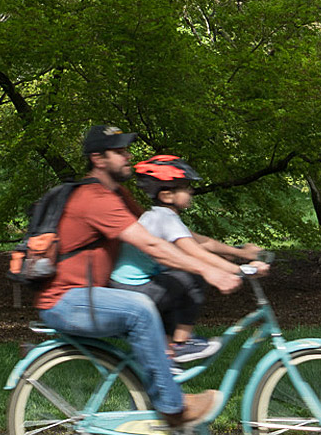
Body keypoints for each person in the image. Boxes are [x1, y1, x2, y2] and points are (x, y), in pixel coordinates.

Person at [33, 125, 255, 435]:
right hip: (66, 300)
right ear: (98, 158)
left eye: (127, 149)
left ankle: (159, 432)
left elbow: (172, 237)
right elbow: (152, 246)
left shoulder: (117, 194)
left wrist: (236, 254)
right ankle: (174, 409)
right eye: (120, 151)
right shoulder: (93, 197)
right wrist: (210, 272)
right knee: (140, 308)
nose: (129, 156)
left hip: (94, 296)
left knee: (168, 288)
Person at [109, 154, 265, 364]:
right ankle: (182, 344)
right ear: (167, 196)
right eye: (185, 186)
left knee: (175, 281)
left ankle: (166, 353)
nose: (191, 191)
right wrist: (240, 270)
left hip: (128, 286)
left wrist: (242, 253)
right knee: (191, 277)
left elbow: (204, 243)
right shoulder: (165, 219)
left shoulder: (159, 215)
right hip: (133, 290)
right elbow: (196, 253)